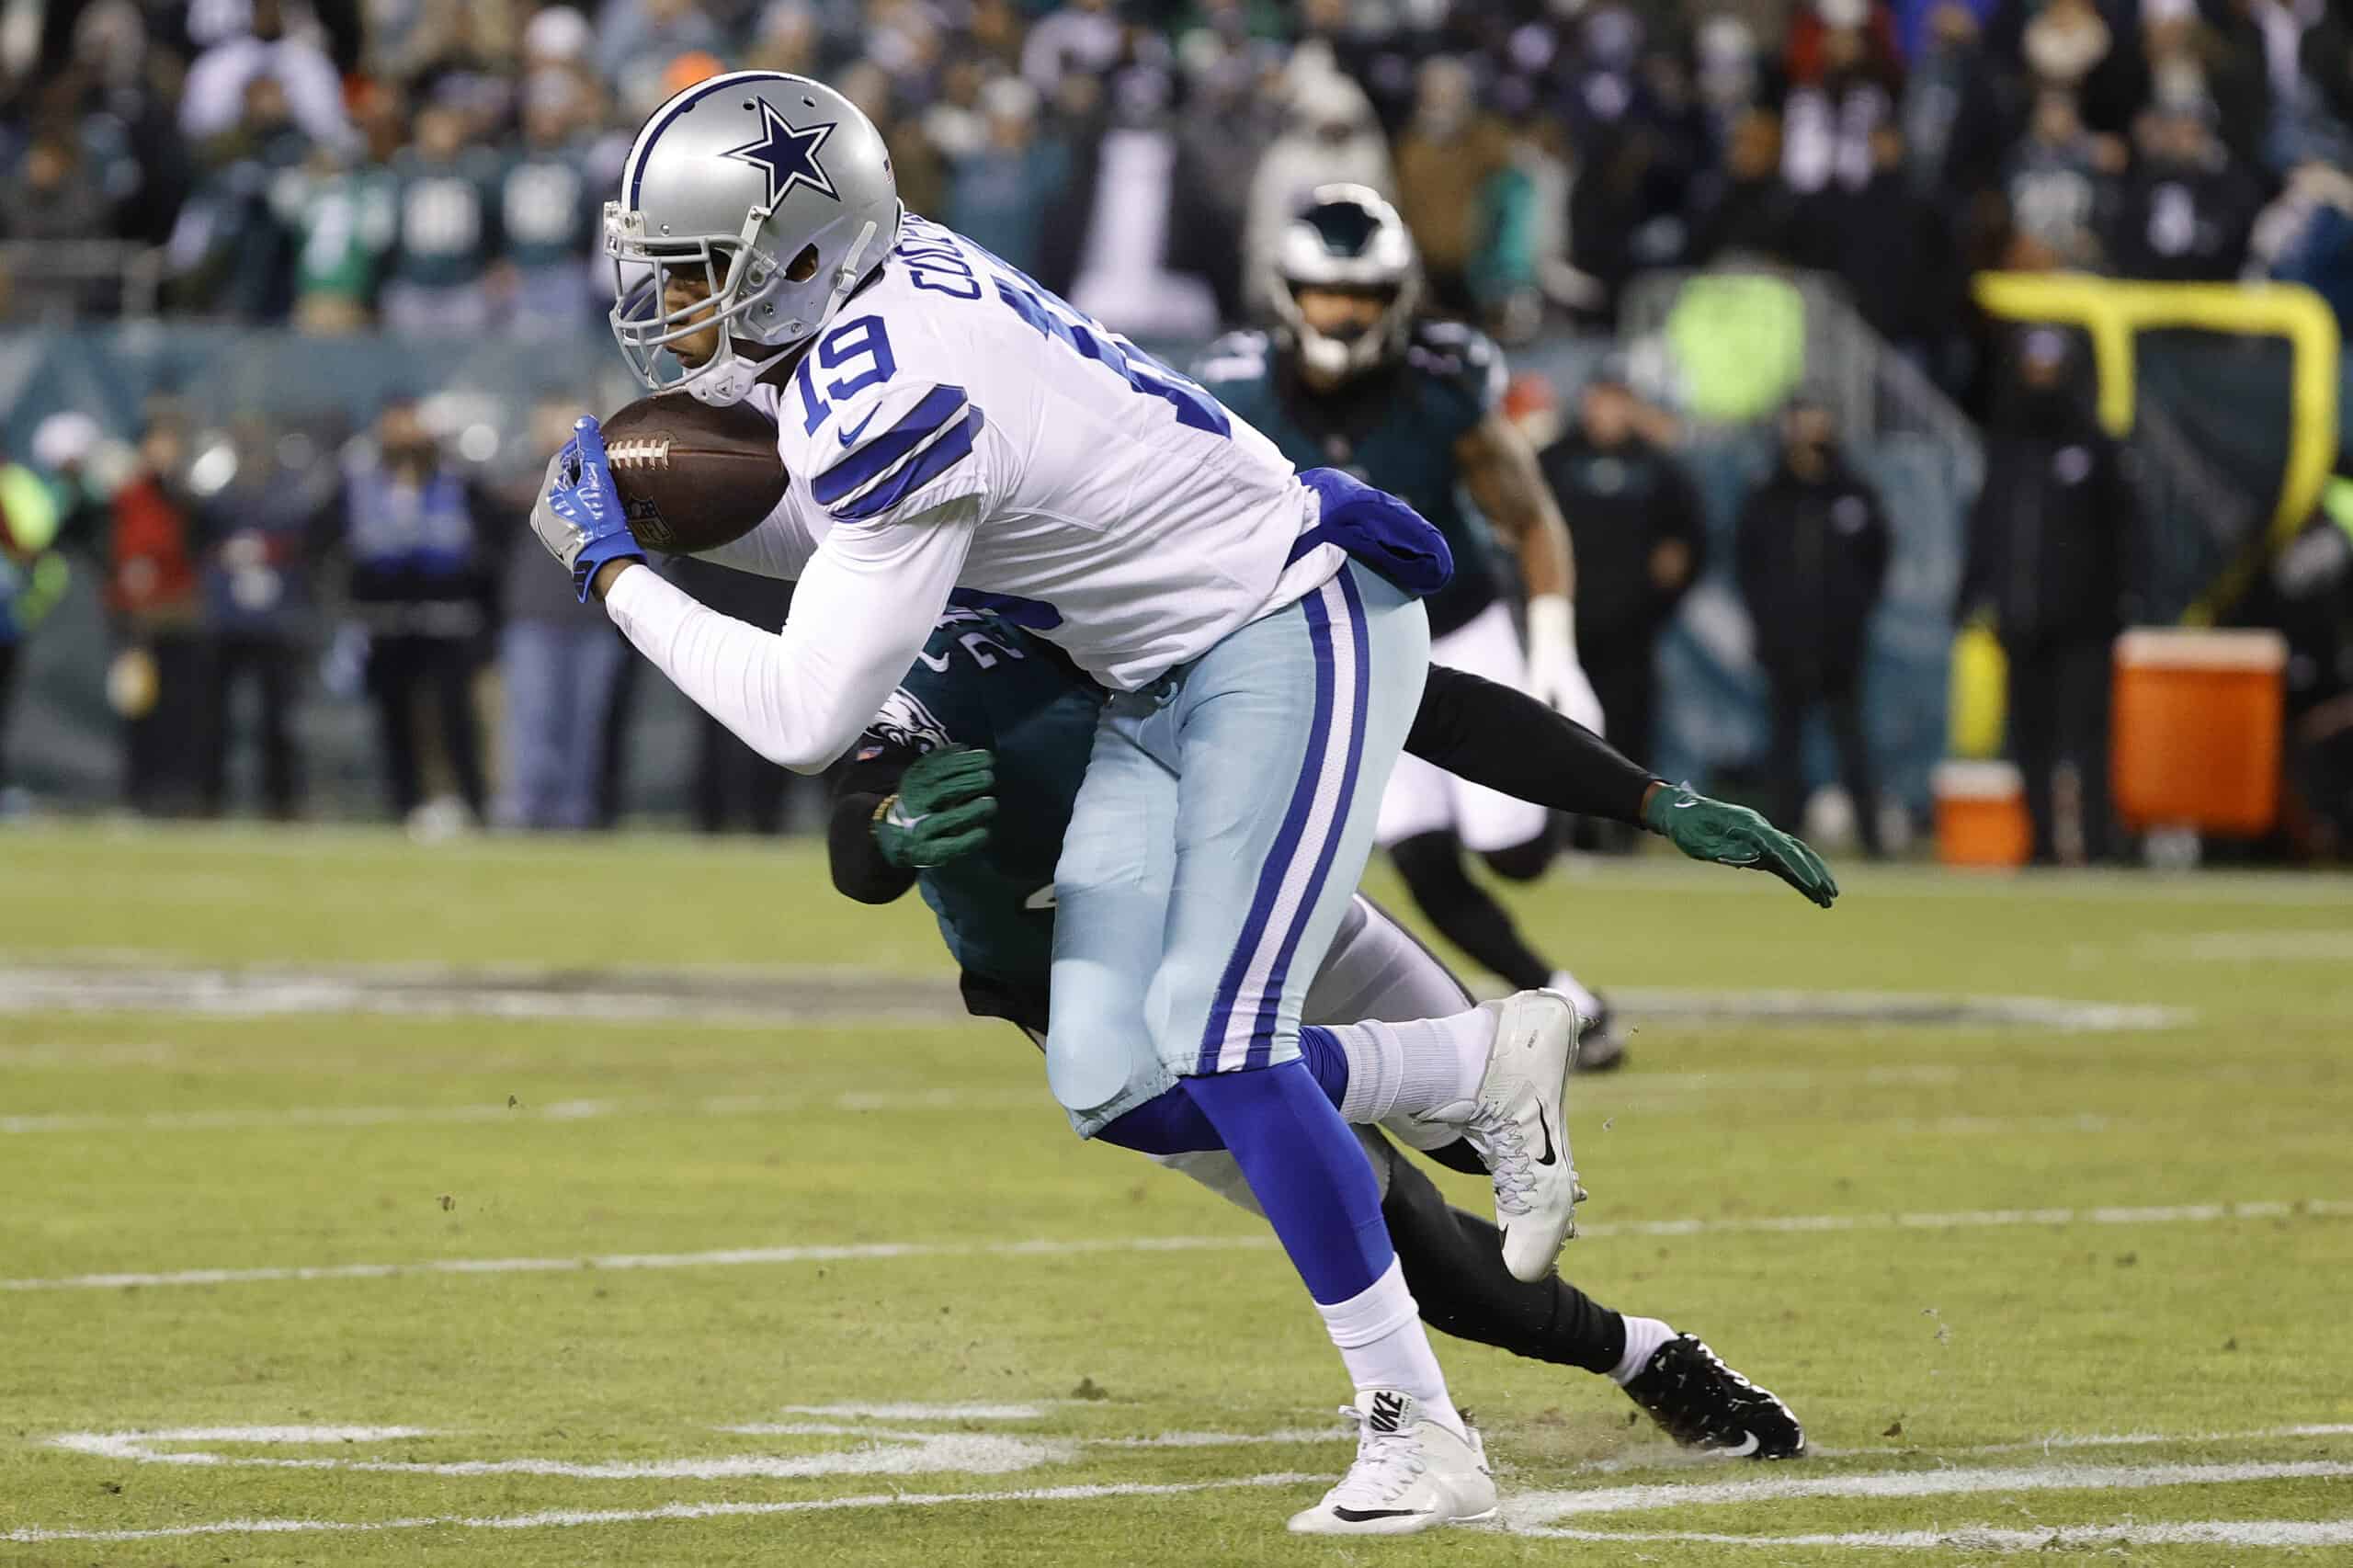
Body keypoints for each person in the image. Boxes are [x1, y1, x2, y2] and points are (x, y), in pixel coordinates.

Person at [539, 73, 1582, 1535]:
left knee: (1222, 1039)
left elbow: (806, 715)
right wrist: (685, 524)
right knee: (1107, 1067)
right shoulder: (887, 290)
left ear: (797, 252)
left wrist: (612, 571)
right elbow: (868, 528)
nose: (670, 305)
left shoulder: (886, 381)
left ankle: (1421, 1427)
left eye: (699, 271)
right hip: (1154, 676)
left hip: (1280, 627)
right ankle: (1469, 1059)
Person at [827, 607, 1824, 1456]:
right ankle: (1639, 1351)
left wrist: (1649, 797)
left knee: (1478, 1148)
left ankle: (1471, 1076)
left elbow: (1429, 706)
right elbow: (855, 818)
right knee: (1389, 1232)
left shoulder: (1180, 583)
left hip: (1277, 918)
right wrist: (883, 833)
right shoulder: (938, 642)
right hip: (1100, 999)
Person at [1193, 187, 1626, 1062]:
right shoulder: (1232, 387)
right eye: (1326, 291)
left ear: (1398, 297)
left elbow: (1530, 514)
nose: (1344, 312)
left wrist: (1551, 649)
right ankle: (1569, 1000)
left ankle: (1547, 922)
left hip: (1459, 625)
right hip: (1342, 648)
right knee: (1421, 860)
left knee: (1516, 855)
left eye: (1363, 294)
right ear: (1288, 291)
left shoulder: (1442, 380)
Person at [1957, 328, 2137, 865]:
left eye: (2049, 365)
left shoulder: (2094, 445)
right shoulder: (2007, 445)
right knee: (2029, 741)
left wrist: (2126, 596)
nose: (2040, 377)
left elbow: (2125, 528)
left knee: (2087, 742)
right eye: (2032, 365)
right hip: (2021, 616)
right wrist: (1971, 592)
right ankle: (2039, 846)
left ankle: (2099, 846)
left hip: (2085, 622)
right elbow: (1986, 525)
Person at [1536, 361, 1706, 790]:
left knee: (1629, 717)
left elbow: (1689, 538)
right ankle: (1567, 816)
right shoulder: (1556, 459)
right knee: (1561, 716)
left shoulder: (1658, 467)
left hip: (1633, 620)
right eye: (1601, 400)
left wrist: (1666, 587)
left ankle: (1627, 819)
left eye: (1618, 401)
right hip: (1566, 615)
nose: (1608, 411)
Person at [1735, 396, 1892, 857]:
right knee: (1784, 745)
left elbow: (1877, 561)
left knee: (1853, 743)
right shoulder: (1768, 495)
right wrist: (1767, 621)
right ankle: (1779, 838)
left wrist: (1852, 614)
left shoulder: (1854, 493)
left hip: (1840, 643)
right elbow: (1749, 566)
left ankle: (1873, 838)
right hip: (1785, 641)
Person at [335, 398, 491, 828]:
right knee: (394, 720)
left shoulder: (456, 483)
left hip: (446, 619)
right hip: (386, 622)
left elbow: (479, 551)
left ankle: (473, 804)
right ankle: (403, 805)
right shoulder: (360, 484)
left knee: (455, 720)